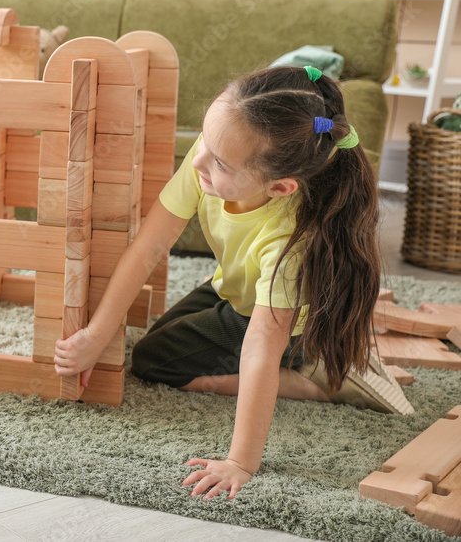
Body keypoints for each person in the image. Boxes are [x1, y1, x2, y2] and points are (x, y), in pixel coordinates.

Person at [53, 65, 412, 500]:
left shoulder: (289, 242)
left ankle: (311, 377)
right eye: (205, 140)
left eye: (220, 162)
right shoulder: (209, 157)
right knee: (162, 337)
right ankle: (315, 359)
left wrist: (241, 461)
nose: (199, 160)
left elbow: (261, 342)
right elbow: (149, 247)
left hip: (279, 323)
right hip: (233, 291)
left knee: (153, 362)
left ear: (279, 188)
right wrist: (96, 334)